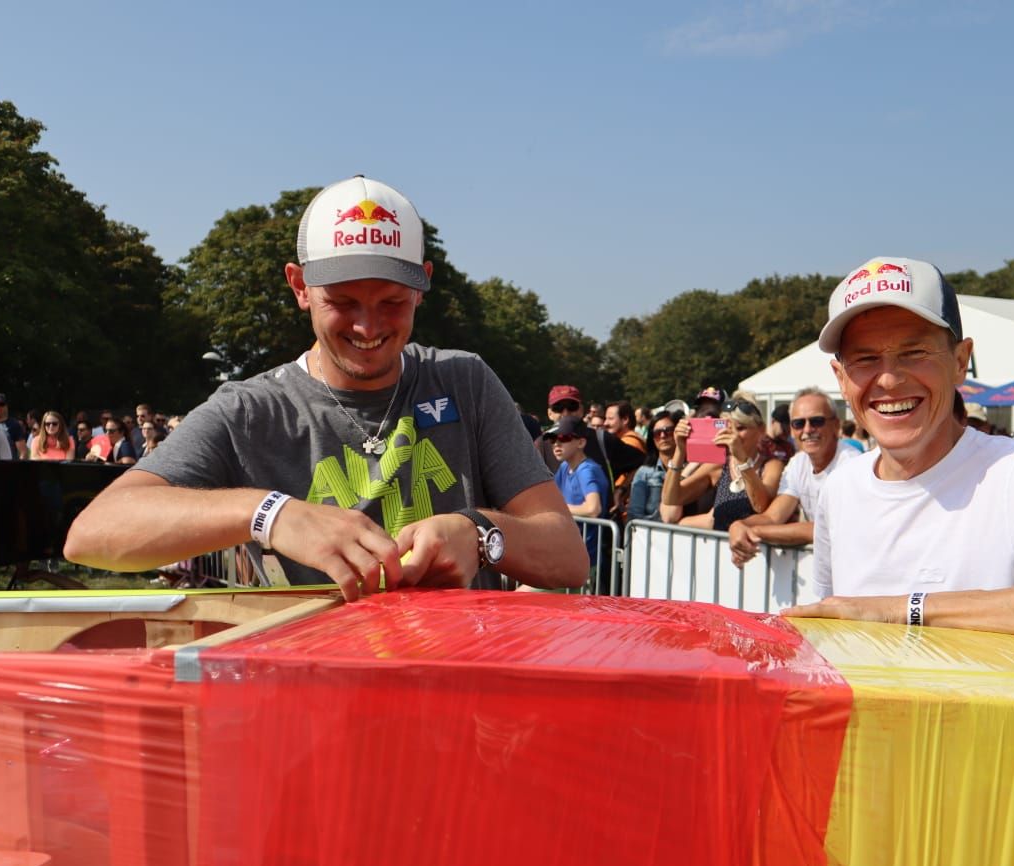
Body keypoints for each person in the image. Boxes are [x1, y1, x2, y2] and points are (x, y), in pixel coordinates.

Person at [65, 175, 588, 600]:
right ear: (300, 287)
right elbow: (93, 534)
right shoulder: (250, 410)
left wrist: (478, 532)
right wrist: (270, 514)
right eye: (342, 302)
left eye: (391, 302)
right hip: (313, 700)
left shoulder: (464, 381)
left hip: (454, 692)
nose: (368, 327)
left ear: (422, 285)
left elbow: (568, 556)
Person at [781, 256, 1014, 646]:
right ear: (841, 379)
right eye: (865, 359)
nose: (888, 378)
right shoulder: (841, 488)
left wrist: (905, 610)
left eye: (915, 353)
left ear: (960, 362)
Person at [728, 388, 847, 567]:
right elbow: (772, 517)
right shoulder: (798, 462)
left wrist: (753, 531)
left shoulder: (850, 463)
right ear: (791, 430)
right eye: (798, 423)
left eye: (817, 421)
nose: (807, 429)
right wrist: (738, 526)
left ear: (836, 426)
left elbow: (826, 528)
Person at [660, 394, 784, 531]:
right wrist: (680, 451)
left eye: (741, 428)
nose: (734, 435)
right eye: (729, 428)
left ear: (761, 429)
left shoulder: (771, 466)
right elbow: (671, 498)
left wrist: (742, 460)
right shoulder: (720, 466)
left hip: (753, 550)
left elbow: (760, 505)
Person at [548, 414, 609, 570]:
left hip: (582, 562)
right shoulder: (565, 467)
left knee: (524, 593)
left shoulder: (586, 470)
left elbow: (593, 508)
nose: (556, 444)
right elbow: (551, 499)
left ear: (581, 442)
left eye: (563, 438)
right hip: (565, 554)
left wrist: (558, 510)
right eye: (553, 439)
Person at [627, 411, 681, 522]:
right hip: (651, 535)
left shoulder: (691, 469)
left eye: (668, 431)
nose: (663, 436)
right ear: (652, 438)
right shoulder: (644, 472)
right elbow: (635, 516)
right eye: (657, 433)